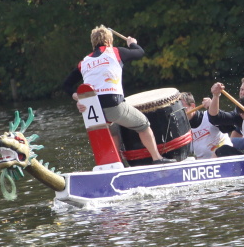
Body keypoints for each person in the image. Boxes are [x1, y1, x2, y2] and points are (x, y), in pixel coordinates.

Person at [62, 26, 172, 163]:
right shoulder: (115, 52)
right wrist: (132, 43)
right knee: (143, 125)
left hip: (93, 110)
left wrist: (79, 98)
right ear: (109, 41)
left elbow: (66, 85)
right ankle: (157, 158)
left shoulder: (83, 62)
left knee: (112, 129)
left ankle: (116, 164)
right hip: (113, 105)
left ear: (93, 43)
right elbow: (140, 52)